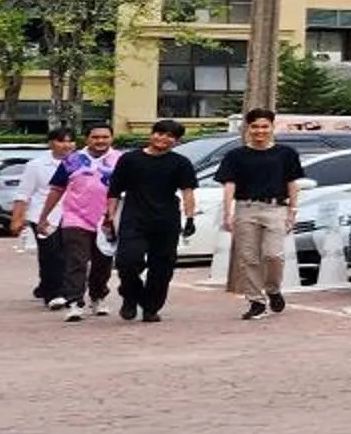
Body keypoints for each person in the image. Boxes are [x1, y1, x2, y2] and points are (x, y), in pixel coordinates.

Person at [103, 119, 202, 322]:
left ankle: (151, 308)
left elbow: (188, 192)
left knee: (162, 267)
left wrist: (190, 218)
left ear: (176, 140)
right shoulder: (130, 160)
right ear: (152, 134)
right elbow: (114, 190)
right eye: (159, 133)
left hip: (167, 221)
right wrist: (109, 216)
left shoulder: (180, 163)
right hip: (134, 218)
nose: (163, 138)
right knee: (127, 261)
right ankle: (130, 296)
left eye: (169, 136)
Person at [214, 107, 306, 319]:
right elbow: (229, 185)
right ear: (248, 128)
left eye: (264, 126)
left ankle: (273, 289)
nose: (260, 131)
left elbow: (292, 182)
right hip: (246, 209)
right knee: (248, 258)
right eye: (255, 127)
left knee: (273, 255)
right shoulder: (235, 155)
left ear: (272, 127)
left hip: (276, 208)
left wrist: (293, 209)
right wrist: (227, 213)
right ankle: (256, 301)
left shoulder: (286, 154)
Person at [33, 123, 121, 318]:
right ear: (87, 139)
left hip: (106, 220)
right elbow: (57, 189)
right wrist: (44, 216)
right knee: (76, 261)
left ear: (111, 139)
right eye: (95, 137)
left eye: (105, 137)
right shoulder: (72, 160)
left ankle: (98, 297)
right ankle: (75, 302)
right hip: (75, 218)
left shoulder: (121, 160)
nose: (100, 141)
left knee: (102, 262)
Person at [26, 130, 77, 306]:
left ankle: (58, 288)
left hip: (73, 214)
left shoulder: (80, 163)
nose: (66, 145)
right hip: (42, 214)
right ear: (50, 143)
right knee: (51, 253)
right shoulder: (36, 165)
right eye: (61, 141)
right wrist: (18, 217)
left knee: (69, 254)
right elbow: (24, 192)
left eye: (70, 141)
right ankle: (53, 292)